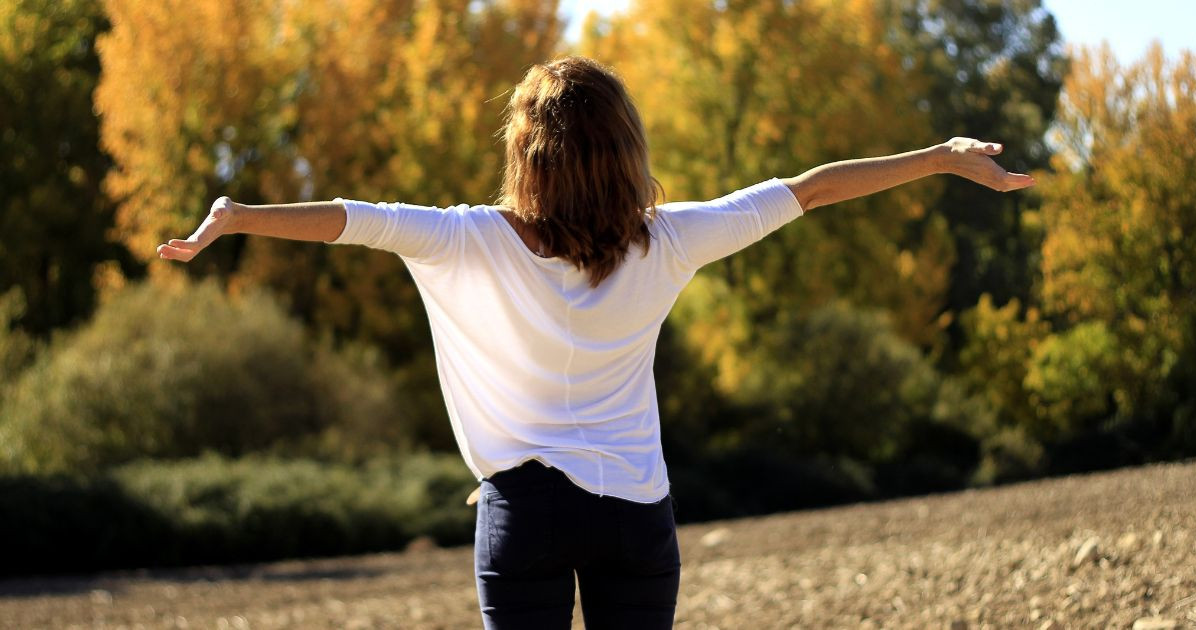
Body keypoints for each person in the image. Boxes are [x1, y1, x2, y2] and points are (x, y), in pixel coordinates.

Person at [158, 56, 1034, 629]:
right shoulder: (672, 239)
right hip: (636, 514)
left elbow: (349, 221)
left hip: (524, 516)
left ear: (524, 153)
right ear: (625, 151)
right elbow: (807, 191)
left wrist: (236, 219)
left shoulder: (467, 238)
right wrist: (940, 155)